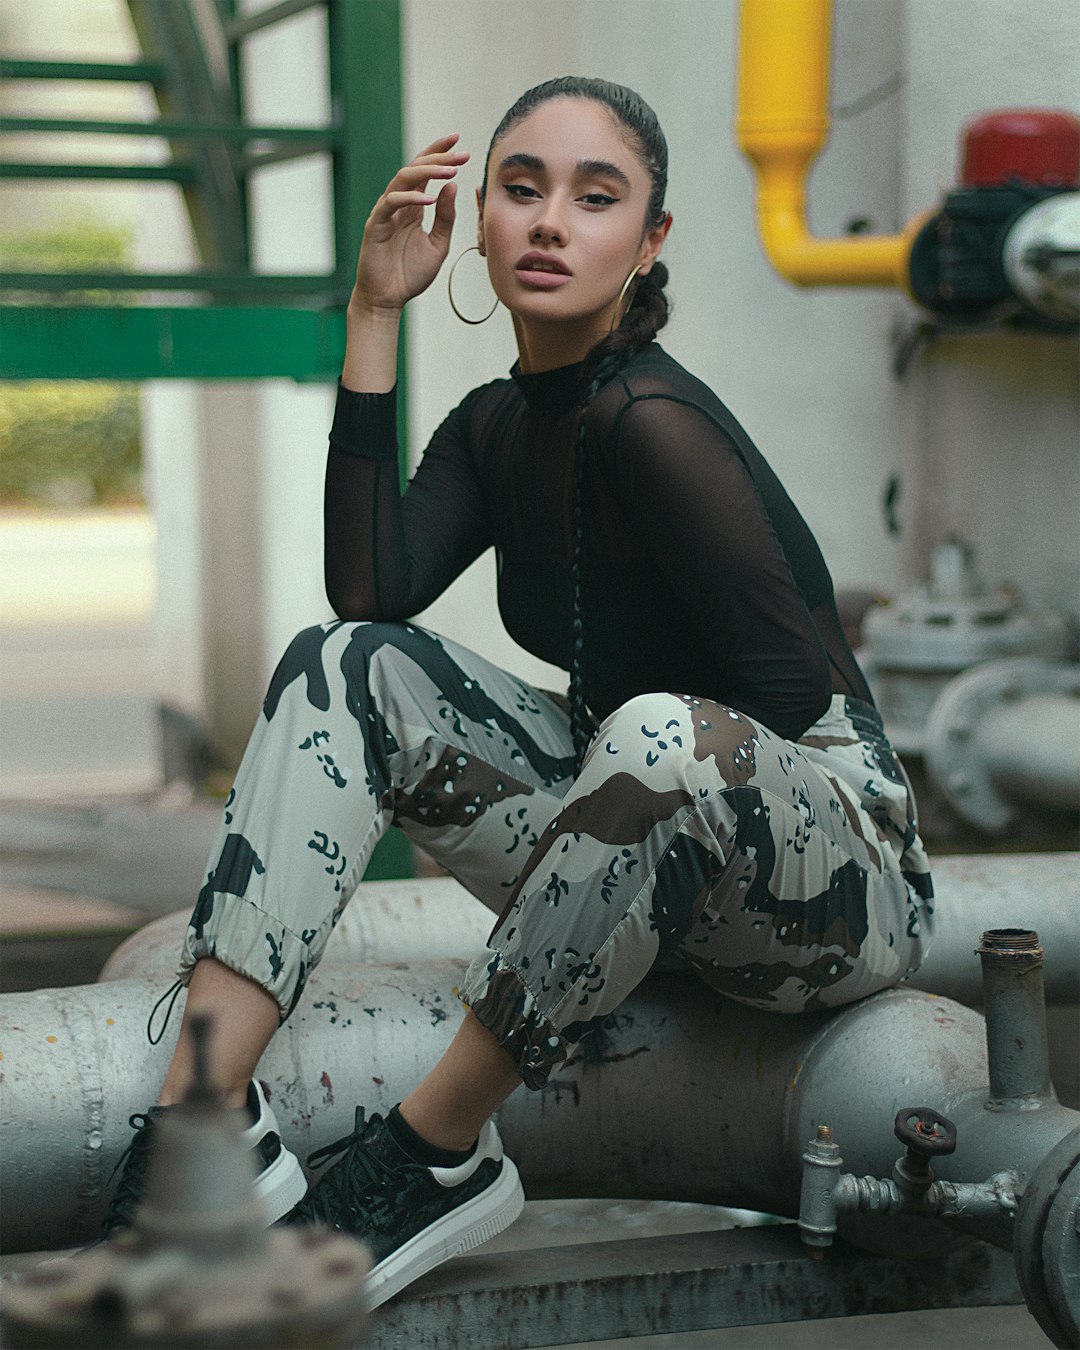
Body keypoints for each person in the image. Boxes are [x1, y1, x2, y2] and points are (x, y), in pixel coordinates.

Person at [103, 77, 933, 1308]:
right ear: (477, 220)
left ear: (648, 243)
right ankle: (205, 1113)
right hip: (641, 846)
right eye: (522, 188)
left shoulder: (656, 424)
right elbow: (369, 586)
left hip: (833, 881)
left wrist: (618, 757)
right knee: (346, 663)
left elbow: (783, 689)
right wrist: (372, 311)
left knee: (654, 735)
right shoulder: (497, 425)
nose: (551, 222)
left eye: (598, 199)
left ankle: (433, 1157)